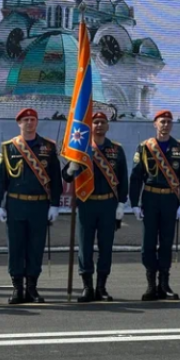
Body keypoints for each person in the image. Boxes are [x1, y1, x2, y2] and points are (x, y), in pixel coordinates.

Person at [0, 108, 62, 304]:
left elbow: (55, 179)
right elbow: (0, 179)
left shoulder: (48, 147)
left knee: (35, 247)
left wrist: (54, 205)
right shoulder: (9, 147)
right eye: (26, 120)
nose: (29, 123)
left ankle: (32, 287)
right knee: (16, 247)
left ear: (36, 122)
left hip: (39, 205)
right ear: (19, 123)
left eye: (33, 119)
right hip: (16, 204)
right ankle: (17, 288)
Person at [62, 111, 128, 303]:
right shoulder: (81, 149)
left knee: (106, 247)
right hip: (86, 203)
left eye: (102, 122)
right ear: (90, 126)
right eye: (95, 122)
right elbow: (66, 177)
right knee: (85, 246)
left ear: (107, 126)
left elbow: (123, 179)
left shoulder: (116, 150)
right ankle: (87, 287)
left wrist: (121, 204)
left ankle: (101, 287)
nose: (99, 125)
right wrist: (71, 168)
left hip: (108, 204)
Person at [129, 110, 180, 301]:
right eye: (162, 121)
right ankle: (151, 285)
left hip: (170, 200)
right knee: (148, 242)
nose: (165, 125)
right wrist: (135, 204)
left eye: (169, 122)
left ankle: (164, 284)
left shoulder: (179, 147)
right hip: (150, 198)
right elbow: (136, 177)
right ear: (155, 124)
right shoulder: (145, 147)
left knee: (166, 242)